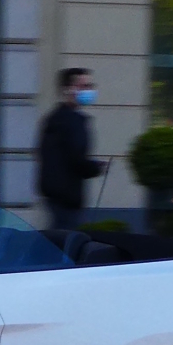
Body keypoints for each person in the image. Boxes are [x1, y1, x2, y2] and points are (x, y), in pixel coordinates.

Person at [37, 67, 104, 231]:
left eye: (90, 86)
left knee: (57, 238)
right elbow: (76, 157)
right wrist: (95, 168)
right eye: (83, 86)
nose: (88, 91)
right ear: (67, 89)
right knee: (65, 242)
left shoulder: (55, 118)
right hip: (67, 195)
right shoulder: (72, 121)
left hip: (56, 193)